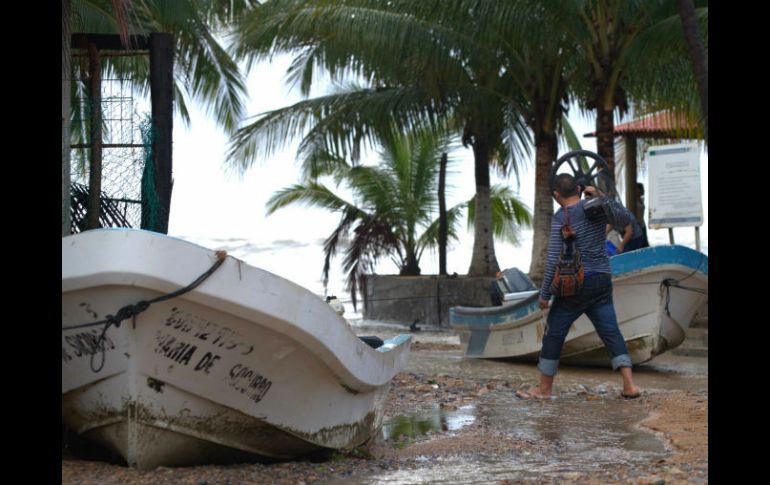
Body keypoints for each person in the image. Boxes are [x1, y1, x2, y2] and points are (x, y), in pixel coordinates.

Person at [516, 174, 641, 400]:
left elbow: (554, 258)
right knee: (611, 331)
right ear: (579, 189)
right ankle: (629, 385)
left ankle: (543, 389)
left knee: (554, 332)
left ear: (556, 195)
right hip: (601, 280)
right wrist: (603, 197)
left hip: (575, 285)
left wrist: (544, 294)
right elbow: (627, 219)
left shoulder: (560, 217)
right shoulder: (598, 208)